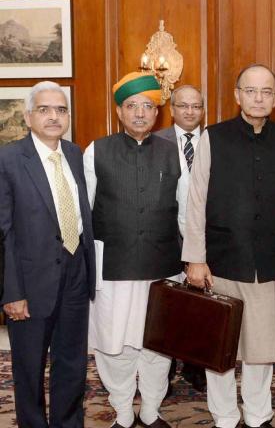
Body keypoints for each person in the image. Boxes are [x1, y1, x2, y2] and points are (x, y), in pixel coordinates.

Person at [182, 63, 275, 428]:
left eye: (267, 91)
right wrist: (195, 258)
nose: (259, 98)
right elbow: (196, 199)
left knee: (261, 348)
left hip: (269, 259)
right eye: (251, 90)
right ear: (237, 95)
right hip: (221, 259)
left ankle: (258, 414)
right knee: (220, 346)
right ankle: (223, 416)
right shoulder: (214, 137)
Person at [85, 72, 185, 428]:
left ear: (158, 112)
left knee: (158, 346)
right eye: (132, 106)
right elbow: (86, 214)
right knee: (115, 345)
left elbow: (185, 210)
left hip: (163, 267)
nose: (140, 113)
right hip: (113, 267)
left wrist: (192, 262)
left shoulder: (173, 152)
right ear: (119, 112)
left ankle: (151, 411)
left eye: (148, 106)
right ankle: (124, 413)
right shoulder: (97, 150)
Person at [0, 81, 95, 427]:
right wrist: (12, 292)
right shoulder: (8, 159)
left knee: (71, 362)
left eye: (61, 109)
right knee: (29, 366)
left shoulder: (74, 153)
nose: (54, 116)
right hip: (29, 282)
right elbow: (3, 233)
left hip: (75, 274)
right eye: (44, 109)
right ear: (28, 117)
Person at [154, 84, 207, 393]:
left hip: (203, 239)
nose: (190, 111)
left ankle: (197, 367)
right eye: (183, 106)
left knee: (202, 309)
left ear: (202, 111)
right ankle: (166, 371)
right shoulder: (156, 141)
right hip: (166, 239)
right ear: (171, 109)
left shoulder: (215, 140)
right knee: (168, 309)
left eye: (196, 106)